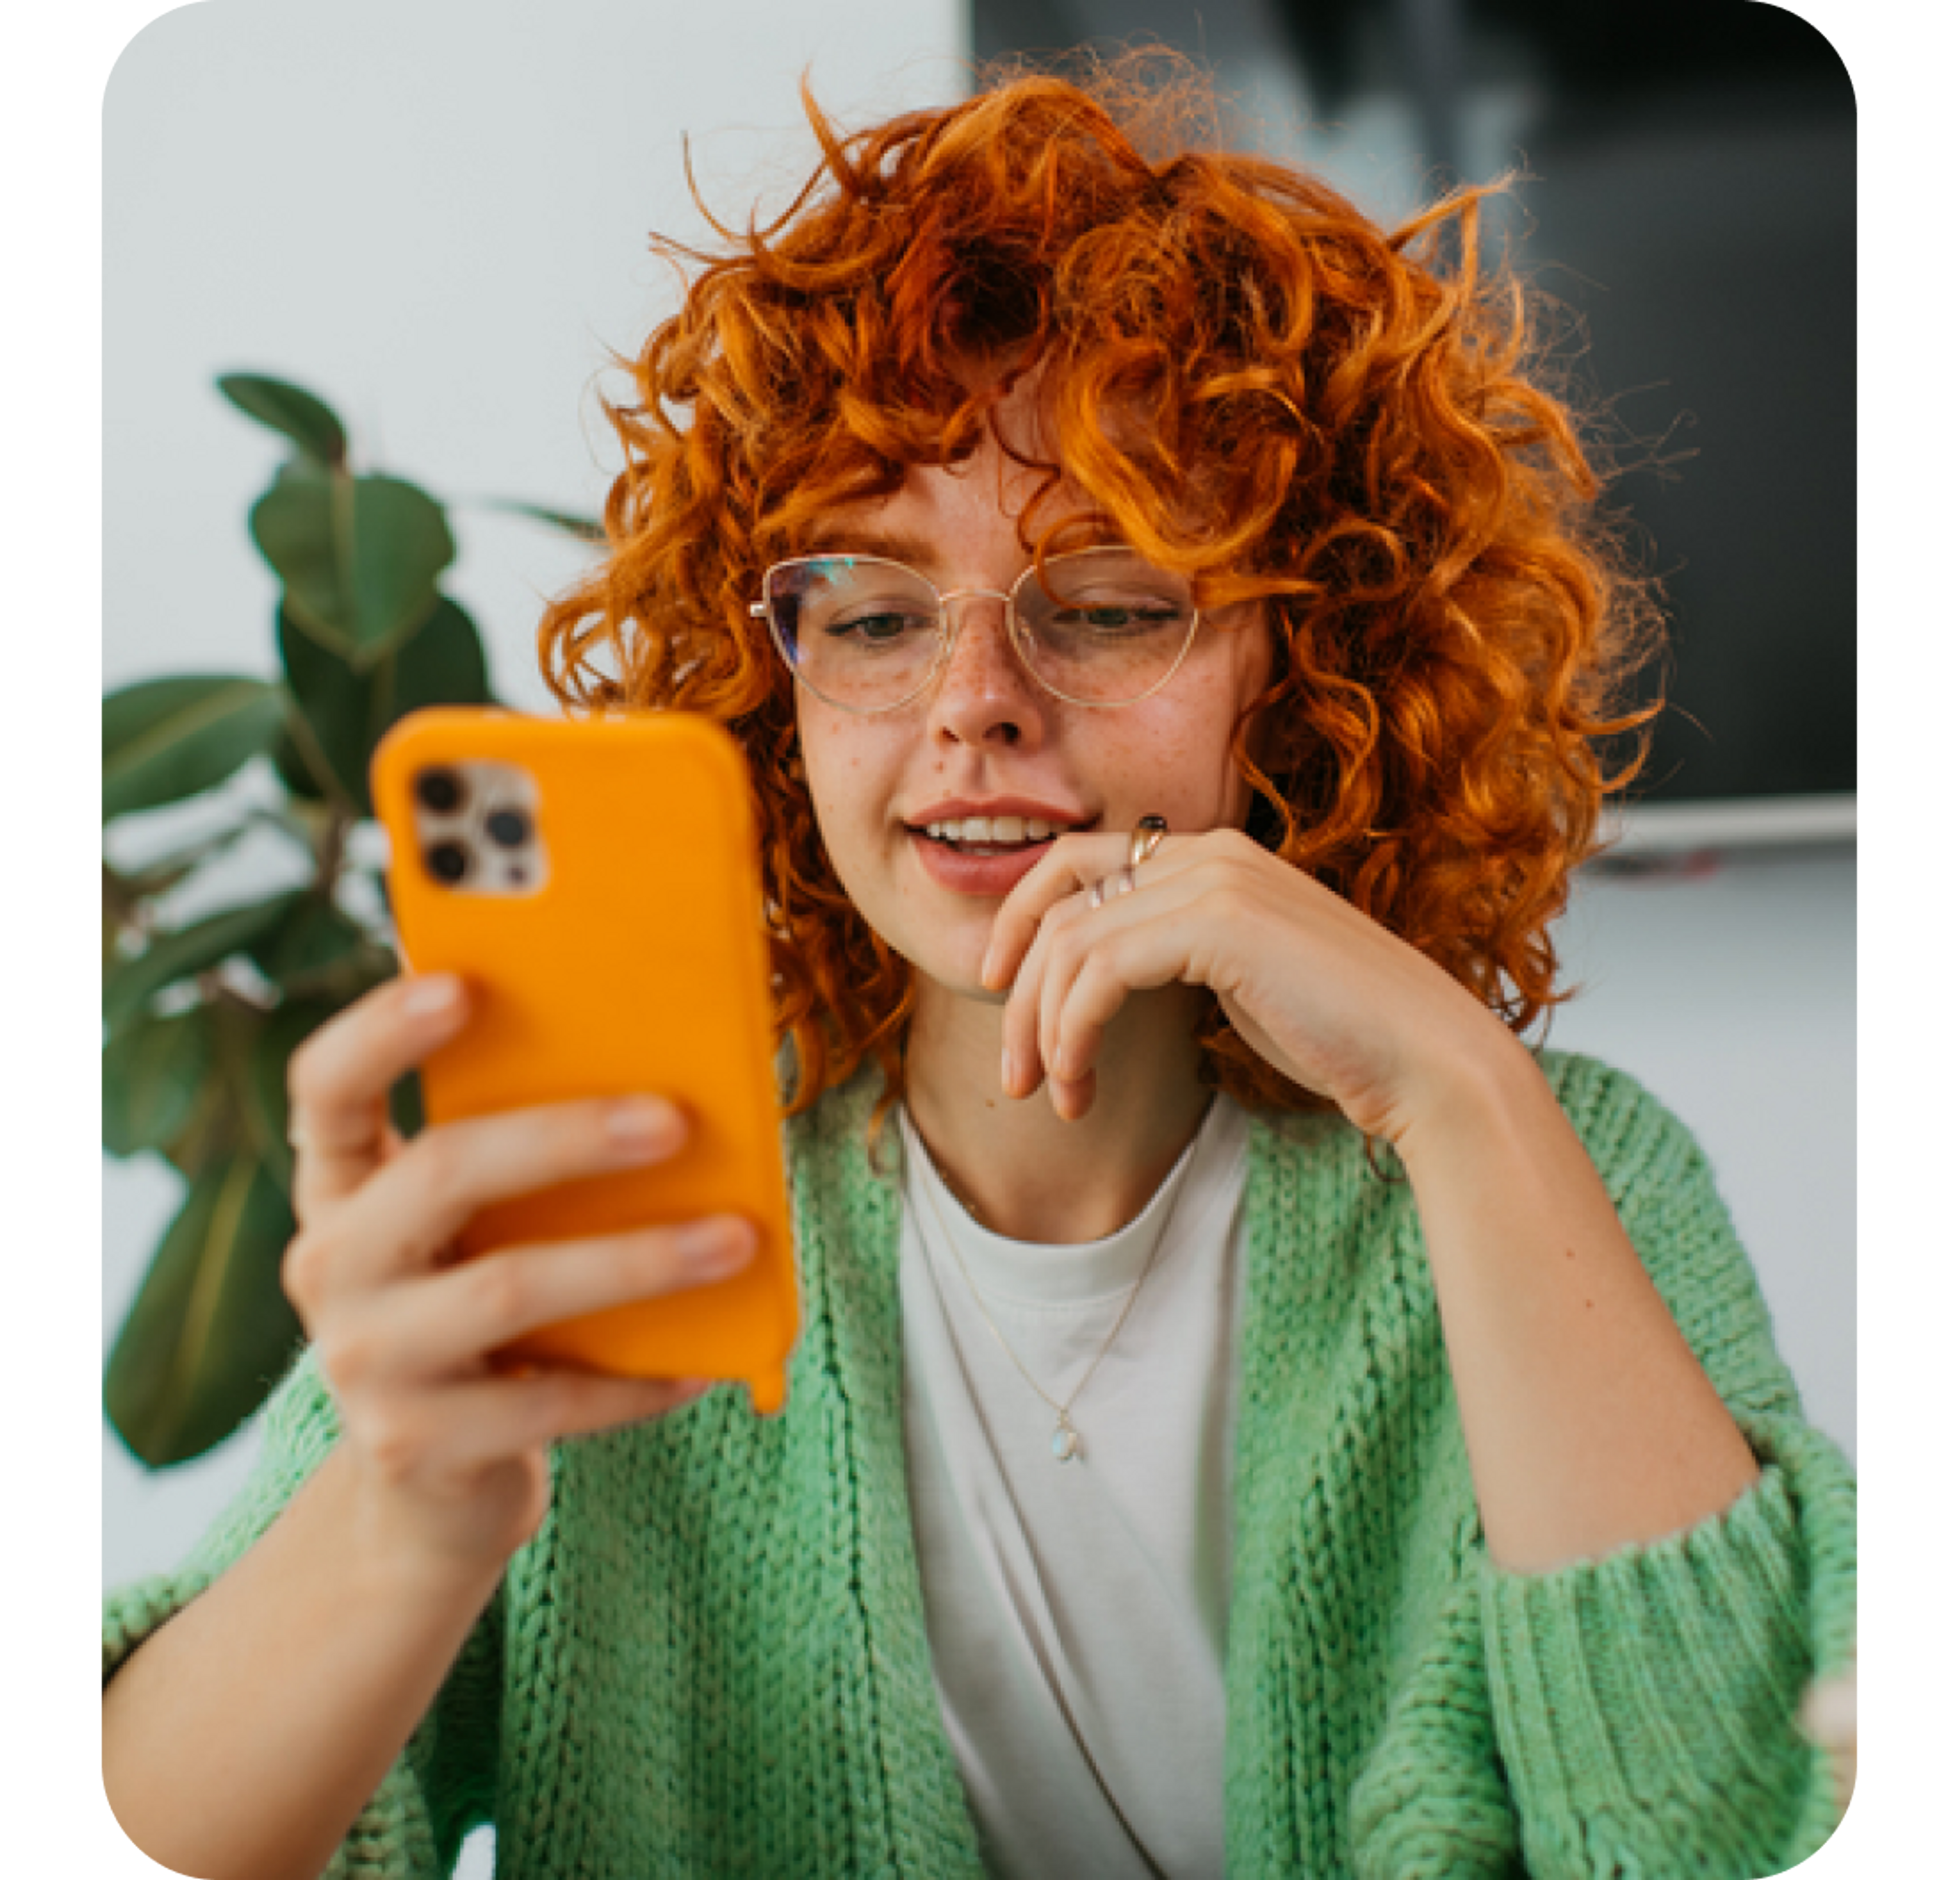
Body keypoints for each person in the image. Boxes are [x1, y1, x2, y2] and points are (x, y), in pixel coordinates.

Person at [100, 52, 1857, 1879]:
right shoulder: (609, 1221)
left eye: (1104, 603)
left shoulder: (1567, 1169)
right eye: (870, 615)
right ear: (775, 696)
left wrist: (1462, 1089)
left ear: (1305, 671)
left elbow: (1740, 1834)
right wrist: (403, 1530)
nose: (972, 707)